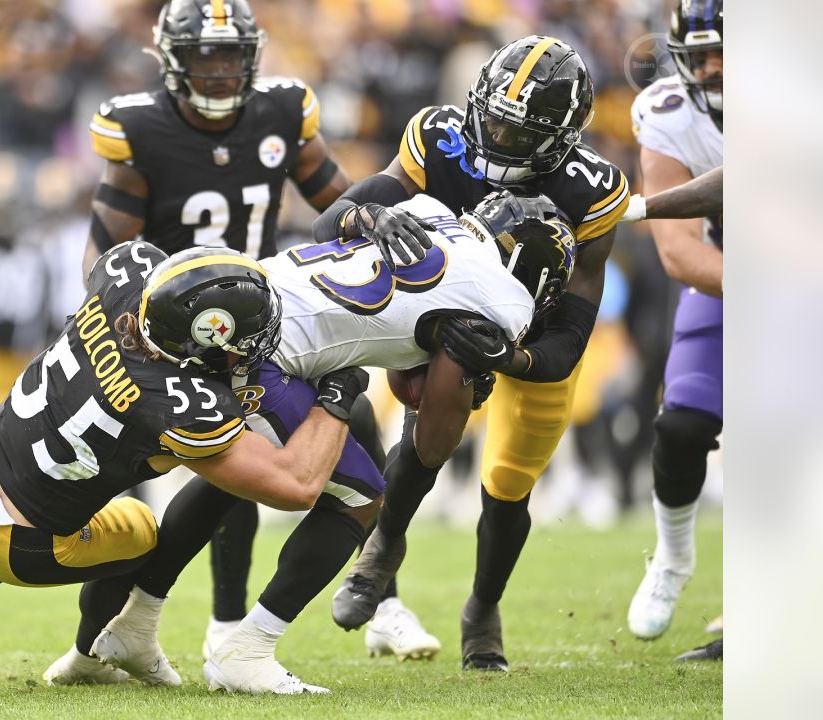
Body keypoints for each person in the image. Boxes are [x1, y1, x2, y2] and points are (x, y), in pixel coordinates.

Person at [0, 242, 370, 694]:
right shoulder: (176, 401)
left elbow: (115, 252)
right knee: (138, 530)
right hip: (20, 537)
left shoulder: (123, 279)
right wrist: (341, 391)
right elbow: (296, 485)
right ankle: (91, 654)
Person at [52, 189, 575, 694]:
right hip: (261, 354)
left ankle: (134, 624)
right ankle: (249, 649)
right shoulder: (504, 299)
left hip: (240, 309)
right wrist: (463, 385)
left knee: (230, 474)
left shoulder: (429, 212)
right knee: (360, 499)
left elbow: (362, 259)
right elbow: (432, 445)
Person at [83, 0, 436, 660]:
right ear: (171, 60)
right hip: (178, 333)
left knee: (349, 430)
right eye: (203, 57)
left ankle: (377, 598)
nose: (218, 72)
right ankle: (217, 625)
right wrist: (144, 324)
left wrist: (374, 218)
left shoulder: (281, 113)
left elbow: (337, 200)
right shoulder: (139, 129)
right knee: (252, 462)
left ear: (250, 57)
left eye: (229, 56)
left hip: (265, 318)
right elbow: (103, 255)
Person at [321, 35, 630, 671]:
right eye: (491, 119)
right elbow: (334, 220)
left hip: (531, 338)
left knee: (507, 486)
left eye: (519, 134)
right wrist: (368, 219)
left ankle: (482, 608)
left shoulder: (592, 189)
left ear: (559, 139)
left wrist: (512, 360)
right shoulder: (438, 138)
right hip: (443, 321)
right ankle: (385, 542)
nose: (496, 138)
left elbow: (571, 333)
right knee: (436, 396)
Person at [622, 0, 723, 662]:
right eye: (702, 54)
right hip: (734, 271)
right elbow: (679, 251)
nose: (714, 68)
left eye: (729, 54)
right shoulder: (669, 111)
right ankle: (674, 558)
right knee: (682, 422)